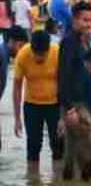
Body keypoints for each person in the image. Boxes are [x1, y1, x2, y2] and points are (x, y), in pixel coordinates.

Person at [58, 1, 91, 181]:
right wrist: (69, 109)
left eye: (90, 20)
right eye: (85, 20)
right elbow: (63, 76)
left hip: (82, 101)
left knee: (72, 148)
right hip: (73, 104)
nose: (89, 24)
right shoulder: (68, 42)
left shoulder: (84, 40)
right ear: (75, 19)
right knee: (90, 153)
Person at [12, 30, 61, 166]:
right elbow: (17, 88)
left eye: (42, 55)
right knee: (33, 145)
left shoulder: (57, 52)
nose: (39, 58)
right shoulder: (23, 55)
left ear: (48, 49)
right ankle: (33, 181)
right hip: (32, 105)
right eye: (36, 54)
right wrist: (17, 119)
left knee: (58, 144)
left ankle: (57, 182)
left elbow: (65, 83)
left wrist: (64, 113)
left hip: (55, 105)